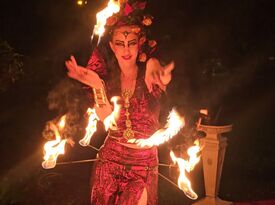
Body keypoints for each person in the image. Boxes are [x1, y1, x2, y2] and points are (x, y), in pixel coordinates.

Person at [65, 1, 174, 204]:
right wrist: (97, 86)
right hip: (109, 161)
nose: (126, 49)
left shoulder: (150, 75)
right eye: (120, 43)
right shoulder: (108, 80)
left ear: (139, 44)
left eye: (131, 43)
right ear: (112, 46)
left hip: (143, 166)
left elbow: (167, 75)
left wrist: (158, 66)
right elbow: (107, 118)